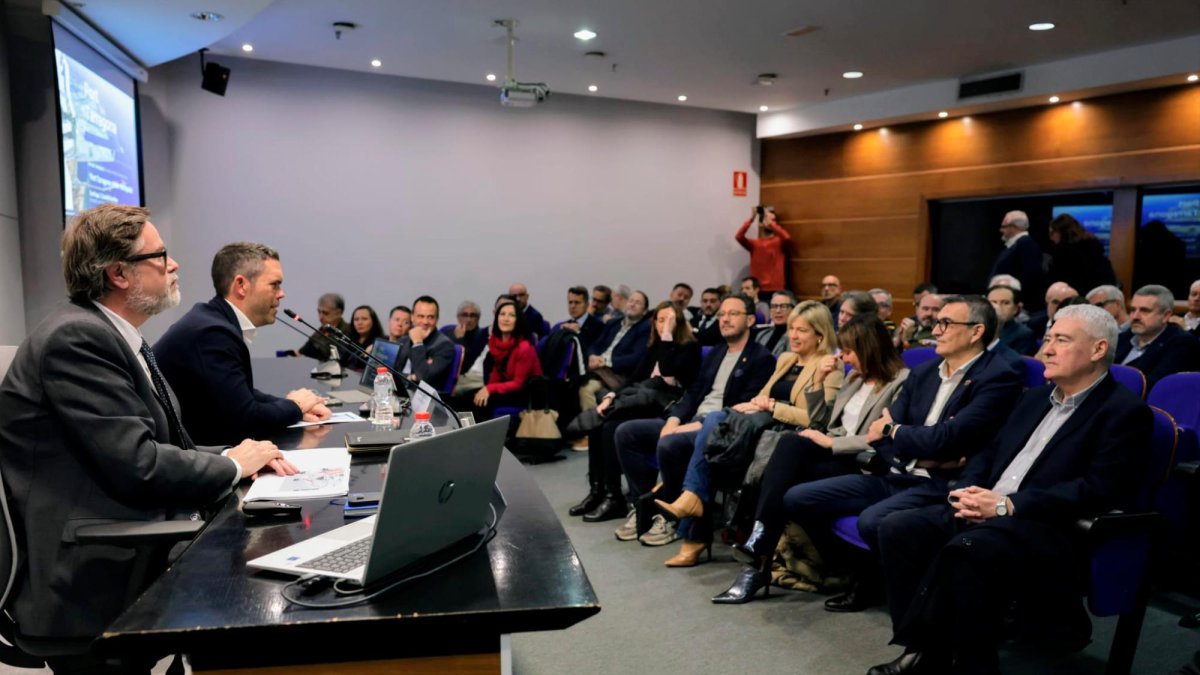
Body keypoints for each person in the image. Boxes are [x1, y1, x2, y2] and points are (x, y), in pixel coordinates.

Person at [0, 205, 293, 665]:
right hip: (90, 576)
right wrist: (234, 465)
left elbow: (164, 445)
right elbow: (139, 465)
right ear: (119, 273)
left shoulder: (111, 334)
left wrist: (234, 454)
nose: (173, 264)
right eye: (161, 255)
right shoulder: (77, 339)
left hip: (123, 546)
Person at [869, 305, 1152, 675]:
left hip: (1047, 526)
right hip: (990, 510)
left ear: (1098, 350)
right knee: (899, 528)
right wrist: (969, 489)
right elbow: (989, 451)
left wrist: (1007, 505)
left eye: (1061, 340)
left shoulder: (1124, 411)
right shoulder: (1033, 397)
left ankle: (968, 662)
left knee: (967, 549)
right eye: (1047, 339)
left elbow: (1099, 489)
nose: (1046, 349)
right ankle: (928, 650)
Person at [780, 296, 1023, 611]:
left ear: (976, 332)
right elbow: (878, 435)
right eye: (936, 322)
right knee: (797, 498)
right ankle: (860, 572)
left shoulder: (998, 377)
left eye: (946, 323)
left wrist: (898, 433)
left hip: (939, 483)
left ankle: (900, 594)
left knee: (872, 521)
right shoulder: (922, 372)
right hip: (895, 472)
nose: (935, 329)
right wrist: (910, 444)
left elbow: (947, 438)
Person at [713, 314, 909, 604]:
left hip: (866, 461)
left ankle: (758, 551)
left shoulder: (900, 382)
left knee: (787, 471)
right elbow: (823, 422)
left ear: (870, 349)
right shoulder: (856, 379)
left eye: (849, 351)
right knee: (790, 445)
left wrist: (832, 442)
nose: (843, 357)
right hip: (838, 453)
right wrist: (817, 381)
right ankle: (760, 551)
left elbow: (882, 436)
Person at [656, 300, 843, 567]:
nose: (793, 335)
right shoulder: (787, 359)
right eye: (792, 329)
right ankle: (692, 508)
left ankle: (693, 522)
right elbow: (762, 395)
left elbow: (816, 420)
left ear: (820, 334)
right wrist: (759, 404)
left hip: (787, 436)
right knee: (714, 426)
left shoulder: (828, 367)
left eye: (802, 330)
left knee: (714, 432)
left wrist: (774, 407)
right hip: (760, 427)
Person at [607, 296, 775, 529]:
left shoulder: (761, 358)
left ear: (749, 320)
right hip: (690, 420)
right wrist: (673, 420)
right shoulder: (716, 353)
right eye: (722, 314)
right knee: (626, 432)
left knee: (669, 444)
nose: (725, 319)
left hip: (718, 429)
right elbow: (694, 393)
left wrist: (691, 426)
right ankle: (643, 507)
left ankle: (669, 519)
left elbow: (739, 408)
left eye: (732, 314)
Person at [154, 242, 331, 446]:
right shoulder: (212, 333)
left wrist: (293, 407)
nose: (281, 293)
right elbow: (246, 419)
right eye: (275, 284)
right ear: (241, 285)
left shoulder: (211, 320)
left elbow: (240, 395)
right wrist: (296, 406)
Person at [570, 301, 702, 525]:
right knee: (599, 423)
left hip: (667, 406)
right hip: (645, 402)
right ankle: (598, 490)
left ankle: (614, 497)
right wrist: (612, 396)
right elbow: (635, 379)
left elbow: (671, 371)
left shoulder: (689, 347)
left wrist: (668, 337)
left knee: (611, 426)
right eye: (660, 320)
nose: (663, 325)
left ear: (679, 322)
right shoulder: (653, 346)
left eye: (669, 320)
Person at [1116, 284, 1200, 389]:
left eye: (1144, 310)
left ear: (1166, 316)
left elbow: (1151, 387)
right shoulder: (1123, 337)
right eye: (1133, 310)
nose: (1135, 317)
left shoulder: (1182, 344)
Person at [578, 291, 651, 411]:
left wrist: (606, 361)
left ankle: (591, 425)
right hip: (597, 366)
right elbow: (596, 345)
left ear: (644, 311)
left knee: (586, 388)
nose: (632, 304)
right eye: (631, 301)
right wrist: (592, 356)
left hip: (616, 374)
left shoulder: (645, 329)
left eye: (638, 303)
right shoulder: (613, 323)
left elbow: (635, 358)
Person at [472, 300, 543, 420]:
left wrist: (489, 389)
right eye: (502, 314)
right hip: (508, 390)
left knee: (485, 403)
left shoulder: (524, 348)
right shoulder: (495, 344)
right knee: (470, 398)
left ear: (518, 320)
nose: (506, 318)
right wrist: (485, 390)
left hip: (525, 394)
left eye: (511, 315)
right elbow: (496, 375)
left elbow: (518, 383)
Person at [1047, 213, 1117, 299]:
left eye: (1052, 232)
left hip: (1074, 300)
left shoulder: (1063, 253)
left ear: (1062, 232)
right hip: (1098, 297)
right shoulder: (1094, 247)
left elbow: (1058, 281)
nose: (1050, 237)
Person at [394, 295, 457, 390]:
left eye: (430, 317)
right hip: (396, 392)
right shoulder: (403, 340)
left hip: (422, 399)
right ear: (412, 317)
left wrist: (418, 343)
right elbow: (390, 372)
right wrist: (410, 377)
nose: (425, 321)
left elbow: (422, 378)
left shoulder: (445, 346)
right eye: (421, 316)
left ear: (437, 319)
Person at [989, 210, 1047, 311]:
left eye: (1004, 226)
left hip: (1018, 305)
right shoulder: (1015, 245)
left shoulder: (1026, 244)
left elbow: (1031, 275)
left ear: (1014, 227)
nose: (1001, 230)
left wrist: (1017, 300)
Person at [736, 206, 791, 299]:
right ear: (761, 223)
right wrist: (751, 219)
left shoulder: (778, 241)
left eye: (773, 220)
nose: (771, 222)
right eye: (767, 219)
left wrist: (771, 223)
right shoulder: (754, 244)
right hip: (758, 289)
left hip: (776, 288)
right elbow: (739, 236)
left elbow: (787, 237)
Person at [293, 292, 351, 362]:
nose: (320, 317)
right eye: (319, 312)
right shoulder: (320, 331)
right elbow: (302, 352)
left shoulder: (348, 331)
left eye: (325, 313)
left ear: (339, 313)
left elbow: (338, 357)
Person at [987, 284, 1037, 356]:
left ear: (1016, 308)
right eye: (993, 302)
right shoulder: (978, 329)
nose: (997, 307)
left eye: (1005, 303)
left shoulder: (1024, 334)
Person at [440, 300, 487, 371]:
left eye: (473, 316)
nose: (469, 319)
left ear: (478, 318)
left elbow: (464, 364)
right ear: (458, 317)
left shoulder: (482, 336)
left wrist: (460, 340)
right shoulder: (447, 331)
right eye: (465, 315)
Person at [557, 285, 604, 351]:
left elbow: (595, 350)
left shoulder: (598, 326)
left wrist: (578, 333)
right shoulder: (564, 326)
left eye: (577, 302)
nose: (572, 306)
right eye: (570, 302)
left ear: (587, 305)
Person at [754, 290, 797, 357]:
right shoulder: (762, 335)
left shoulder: (795, 337)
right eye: (774, 306)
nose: (778, 311)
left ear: (793, 310)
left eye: (783, 306)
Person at [343, 304, 383, 369]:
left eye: (364, 319)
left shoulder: (379, 343)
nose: (359, 323)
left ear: (373, 321)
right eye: (356, 319)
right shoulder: (347, 340)